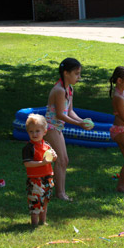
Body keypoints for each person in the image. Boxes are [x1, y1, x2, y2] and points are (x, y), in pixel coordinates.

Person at [45, 58, 92, 201]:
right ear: (66, 73)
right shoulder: (59, 90)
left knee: (63, 160)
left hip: (57, 127)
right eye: (77, 74)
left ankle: (59, 192)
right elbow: (60, 114)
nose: (79, 77)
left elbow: (70, 111)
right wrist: (79, 124)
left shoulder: (69, 89)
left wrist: (81, 121)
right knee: (61, 160)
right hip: (51, 127)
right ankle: (60, 194)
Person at [22, 113, 57, 226]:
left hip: (47, 178)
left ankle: (43, 221)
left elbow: (53, 156)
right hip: (35, 180)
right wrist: (42, 163)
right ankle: (34, 223)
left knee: (45, 200)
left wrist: (54, 156)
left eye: (37, 131)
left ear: (44, 132)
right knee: (35, 201)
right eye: (31, 131)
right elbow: (27, 164)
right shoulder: (28, 148)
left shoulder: (46, 145)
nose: (34, 134)